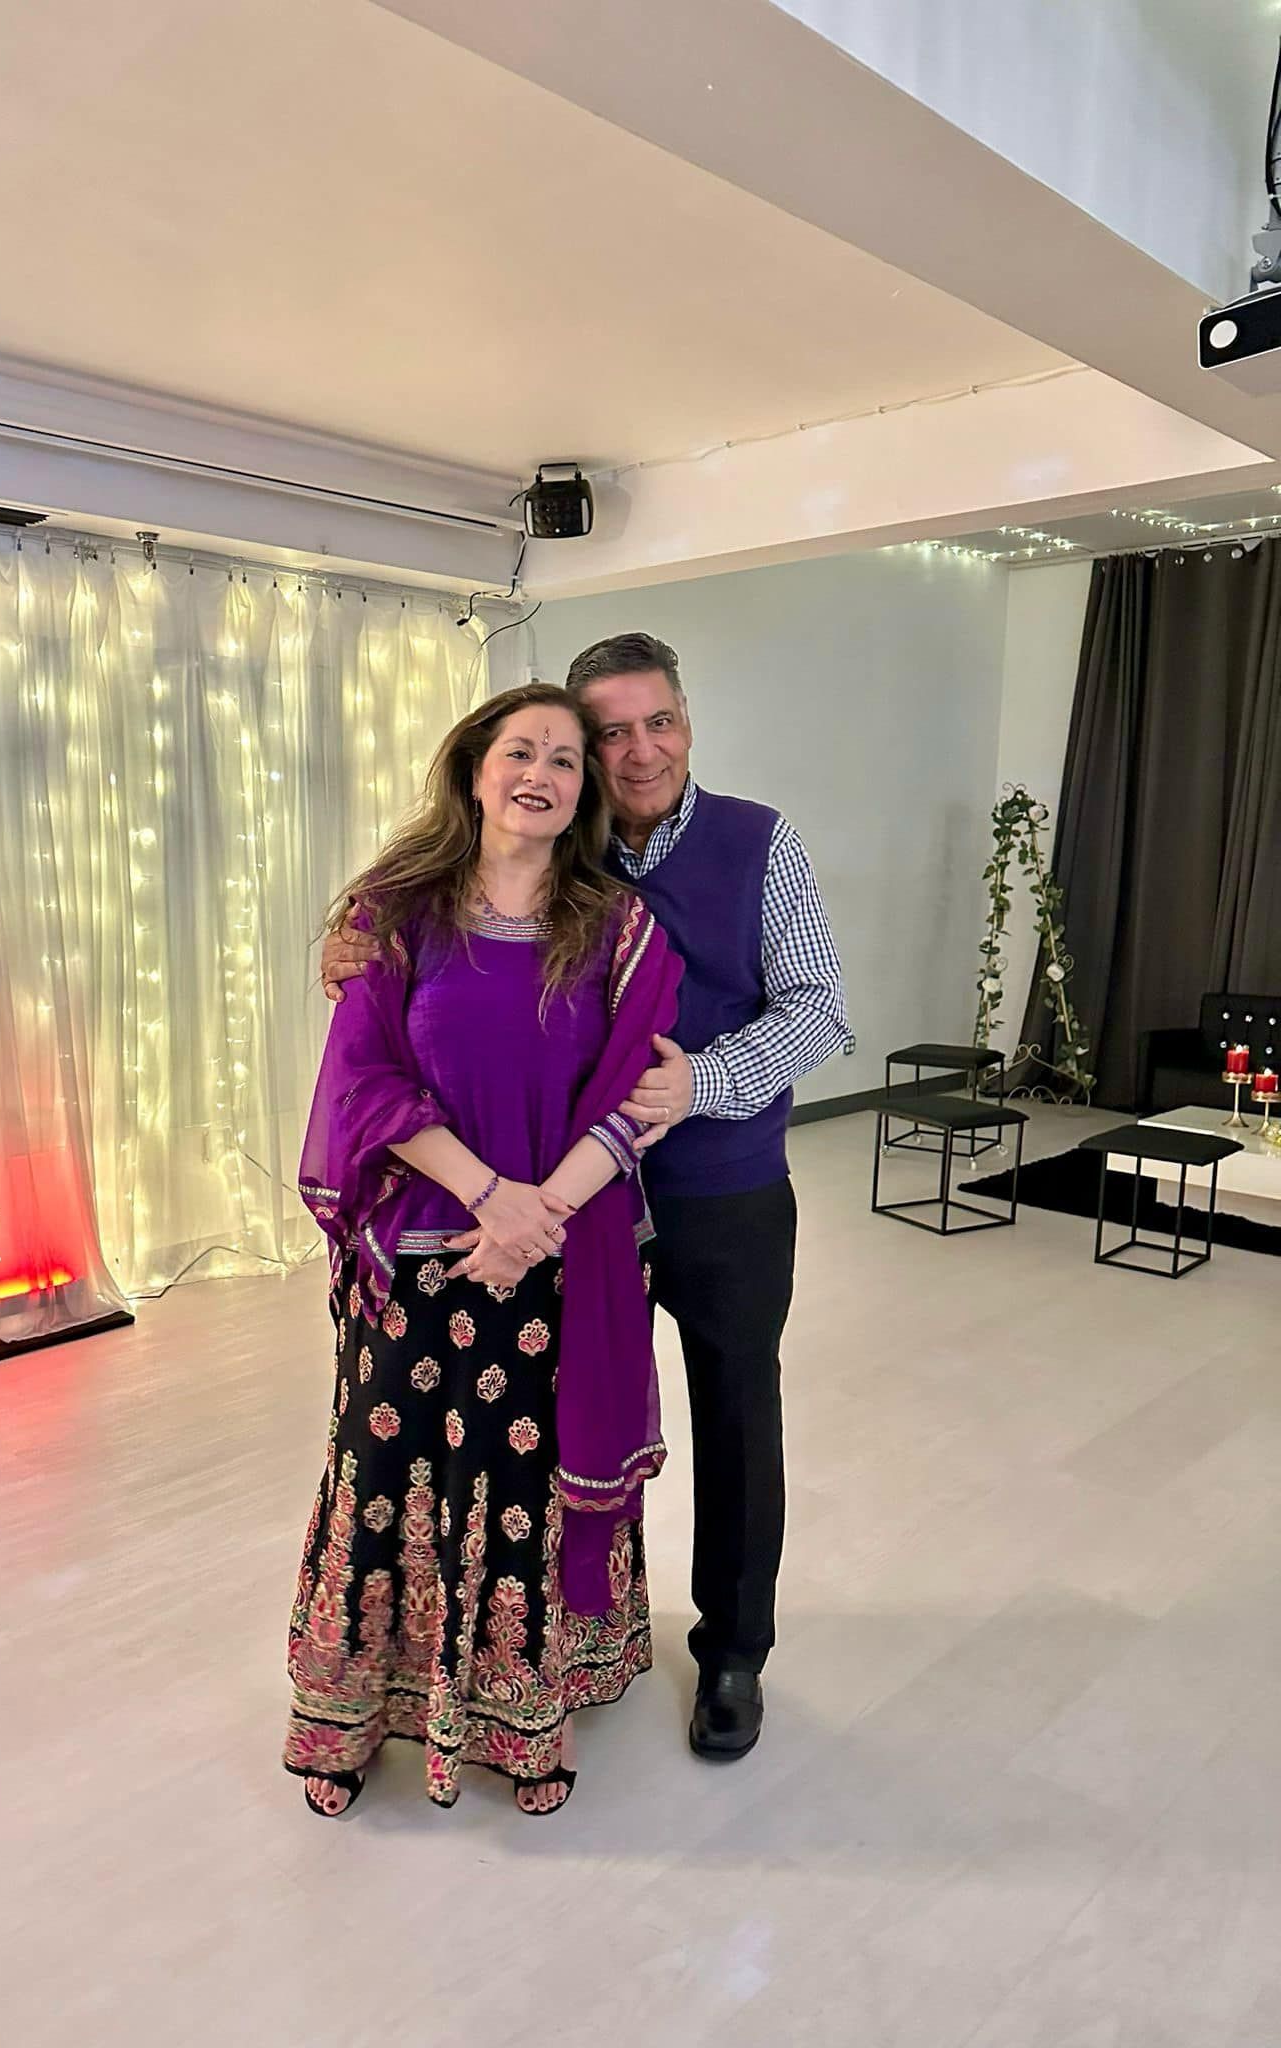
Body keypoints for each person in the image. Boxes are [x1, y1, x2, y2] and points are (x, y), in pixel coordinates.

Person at [323, 634, 847, 1764]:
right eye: (608, 731)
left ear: (689, 721)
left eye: (656, 721)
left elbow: (821, 1008)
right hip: (570, 1209)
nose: (637, 748)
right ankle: (562, 1636)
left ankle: (734, 1652)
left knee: (737, 1417)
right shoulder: (563, 852)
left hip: (716, 1188)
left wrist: (705, 1079)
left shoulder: (761, 843)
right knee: (554, 1430)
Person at [286, 681, 682, 1818]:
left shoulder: (620, 930)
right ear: (473, 770)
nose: (542, 773)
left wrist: (532, 1216)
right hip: (412, 1255)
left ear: (583, 794)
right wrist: (489, 1197)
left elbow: (632, 1095)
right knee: (383, 1469)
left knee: (518, 1484)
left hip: (562, 1259)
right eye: (522, 750)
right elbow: (364, 1077)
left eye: (567, 760)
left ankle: (521, 1716)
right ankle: (352, 1712)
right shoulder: (393, 911)